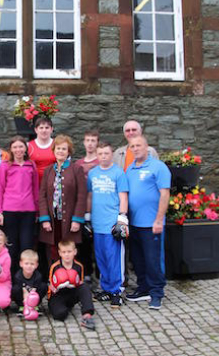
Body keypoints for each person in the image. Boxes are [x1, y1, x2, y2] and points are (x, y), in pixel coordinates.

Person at [124, 136, 171, 310]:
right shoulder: (130, 169)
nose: (136, 149)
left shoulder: (158, 167)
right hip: (134, 223)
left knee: (153, 260)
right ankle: (143, 288)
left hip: (152, 224)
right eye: (132, 146)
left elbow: (164, 194)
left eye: (139, 146)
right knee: (138, 259)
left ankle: (157, 292)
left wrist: (159, 219)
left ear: (147, 147)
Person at [87, 141, 129, 307]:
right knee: (101, 258)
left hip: (112, 224)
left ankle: (117, 290)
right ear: (97, 155)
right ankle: (106, 288)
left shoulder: (118, 173)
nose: (103, 157)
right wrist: (88, 217)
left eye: (106, 153)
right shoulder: (92, 173)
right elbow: (90, 196)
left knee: (114, 259)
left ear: (112, 154)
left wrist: (122, 219)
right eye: (100, 154)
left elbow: (123, 197)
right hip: (98, 223)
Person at [39, 135, 88, 263]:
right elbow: (42, 196)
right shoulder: (48, 170)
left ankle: (70, 279)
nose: (60, 151)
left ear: (68, 152)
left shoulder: (77, 169)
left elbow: (81, 196)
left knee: (69, 250)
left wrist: (77, 220)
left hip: (70, 219)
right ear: (54, 151)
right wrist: (45, 218)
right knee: (53, 250)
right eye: (58, 148)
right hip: (52, 219)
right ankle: (54, 278)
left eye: (64, 149)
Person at [0, 135, 39, 275]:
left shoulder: (31, 165)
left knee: (26, 246)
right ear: (11, 149)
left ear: (25, 148)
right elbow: (0, 188)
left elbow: (35, 188)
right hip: (10, 210)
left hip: (28, 211)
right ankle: (11, 278)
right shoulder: (5, 165)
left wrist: (37, 211)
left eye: (21, 146)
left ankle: (26, 278)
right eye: (15, 147)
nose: (18, 149)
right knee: (11, 246)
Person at [47, 240, 95, 330]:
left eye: (69, 252)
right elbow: (50, 286)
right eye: (64, 252)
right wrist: (57, 286)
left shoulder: (79, 266)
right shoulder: (55, 267)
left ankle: (87, 316)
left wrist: (73, 283)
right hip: (58, 295)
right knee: (60, 315)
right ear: (59, 253)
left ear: (75, 252)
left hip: (72, 292)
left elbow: (80, 283)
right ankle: (63, 307)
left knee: (84, 287)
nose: (67, 255)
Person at [74, 129, 101, 282]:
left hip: (100, 208)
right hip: (83, 209)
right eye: (88, 140)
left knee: (99, 244)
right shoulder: (78, 164)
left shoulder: (101, 161)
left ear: (97, 143)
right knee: (83, 244)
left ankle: (101, 275)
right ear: (84, 143)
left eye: (93, 140)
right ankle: (87, 273)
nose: (90, 144)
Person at [11, 249, 47, 316]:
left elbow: (33, 291)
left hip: (33, 295)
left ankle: (35, 306)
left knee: (43, 286)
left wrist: (32, 304)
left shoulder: (38, 276)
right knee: (15, 289)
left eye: (32, 264)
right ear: (21, 264)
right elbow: (25, 292)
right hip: (23, 296)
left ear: (36, 265)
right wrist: (26, 304)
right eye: (26, 263)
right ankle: (21, 306)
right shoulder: (18, 276)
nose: (29, 266)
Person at [28, 116, 56, 180]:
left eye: (47, 128)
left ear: (51, 129)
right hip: (34, 183)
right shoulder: (28, 146)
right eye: (41, 128)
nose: (44, 130)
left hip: (53, 183)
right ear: (36, 130)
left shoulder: (57, 144)